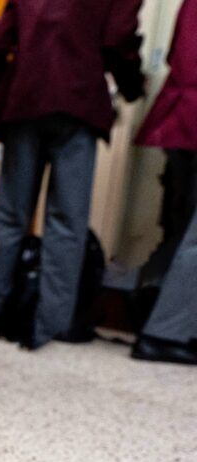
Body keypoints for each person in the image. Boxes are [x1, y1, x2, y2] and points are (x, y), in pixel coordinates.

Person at [0, 0, 145, 349]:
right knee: (67, 222)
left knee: (12, 214)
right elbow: (118, 39)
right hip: (78, 99)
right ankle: (51, 322)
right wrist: (132, 86)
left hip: (24, 97)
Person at [130, 0, 197, 365]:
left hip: (180, 116)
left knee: (180, 227)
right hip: (189, 116)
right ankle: (164, 332)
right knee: (191, 234)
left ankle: (150, 303)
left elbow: (178, 54)